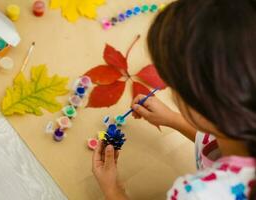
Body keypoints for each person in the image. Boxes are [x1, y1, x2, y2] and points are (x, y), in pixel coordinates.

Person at [92, 0, 256, 199]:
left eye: (173, 85)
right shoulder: (241, 121)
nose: (168, 89)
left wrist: (112, 190)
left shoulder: (199, 194)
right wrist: (173, 119)